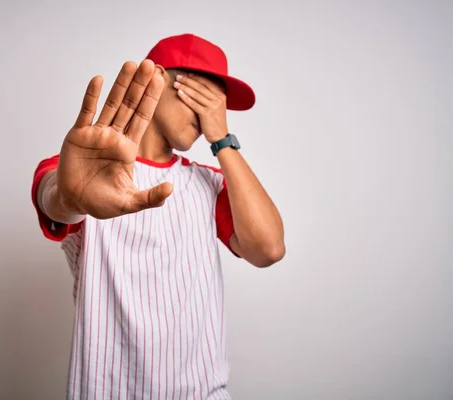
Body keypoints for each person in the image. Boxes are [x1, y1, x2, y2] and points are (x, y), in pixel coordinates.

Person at [31, 33, 285, 399]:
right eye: (203, 93)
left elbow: (269, 248)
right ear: (158, 77)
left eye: (218, 104)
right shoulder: (84, 168)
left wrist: (222, 138)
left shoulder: (207, 184)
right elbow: (55, 198)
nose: (209, 112)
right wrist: (70, 196)